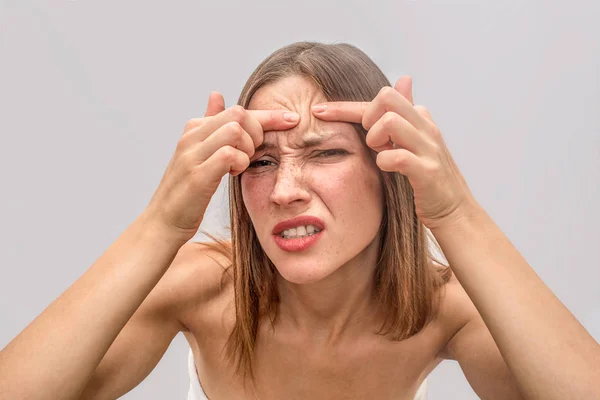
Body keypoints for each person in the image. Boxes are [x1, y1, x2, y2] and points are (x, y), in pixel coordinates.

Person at [0, 41, 598, 400]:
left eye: (325, 152)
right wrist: (161, 224)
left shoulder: (440, 309)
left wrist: (454, 211)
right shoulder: (204, 286)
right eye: (261, 162)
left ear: (390, 169)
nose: (284, 191)